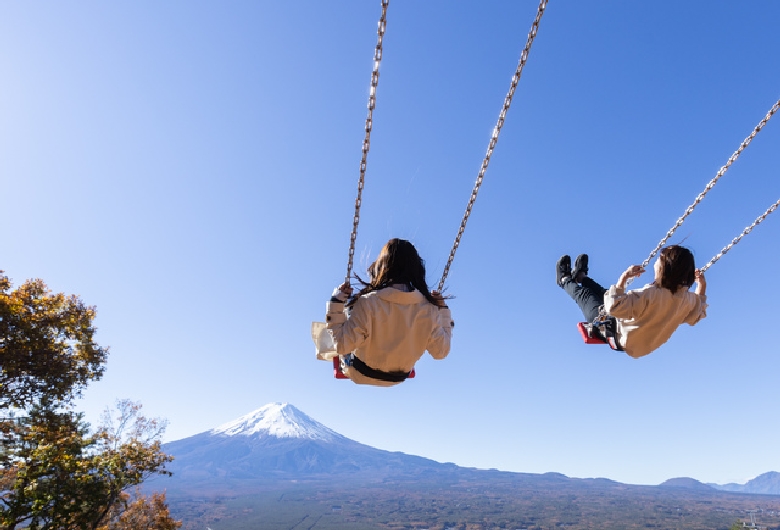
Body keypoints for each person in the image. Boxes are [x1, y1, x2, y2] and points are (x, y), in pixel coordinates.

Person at [312, 238, 454, 386]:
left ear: (381, 266)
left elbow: (342, 346)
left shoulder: (367, 302)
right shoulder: (429, 310)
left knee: (339, 322)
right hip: (398, 378)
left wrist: (336, 302)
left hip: (360, 373)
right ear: (417, 269)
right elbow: (441, 352)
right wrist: (442, 310)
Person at [556, 245, 707, 358]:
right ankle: (581, 277)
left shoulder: (650, 295)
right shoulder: (687, 300)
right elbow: (697, 313)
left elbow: (613, 308)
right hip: (641, 344)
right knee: (605, 293)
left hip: (614, 333)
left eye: (658, 261)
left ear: (664, 269)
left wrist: (624, 278)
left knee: (586, 295)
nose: (655, 264)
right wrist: (702, 285)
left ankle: (564, 279)